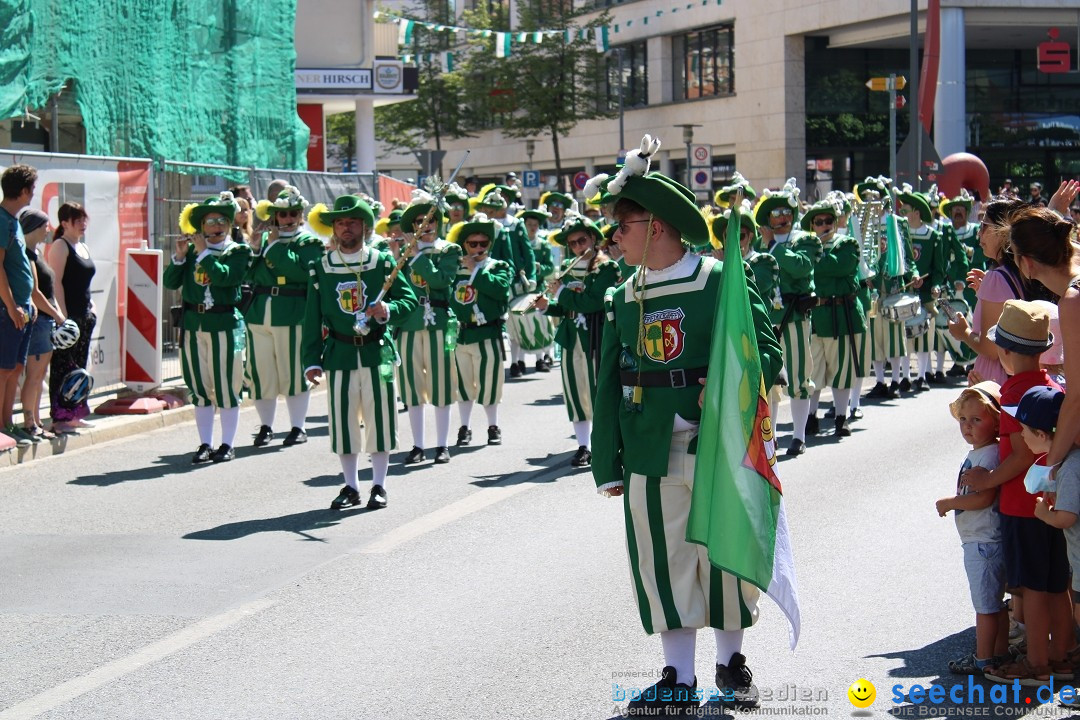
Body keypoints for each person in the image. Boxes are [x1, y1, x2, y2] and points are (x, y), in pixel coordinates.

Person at [588, 137, 782, 715]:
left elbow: (765, 350)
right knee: (662, 558)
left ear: (658, 226)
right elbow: (607, 382)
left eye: (621, 226)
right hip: (649, 445)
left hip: (716, 440)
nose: (612, 238)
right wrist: (607, 460)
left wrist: (729, 385)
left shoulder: (719, 279)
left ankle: (730, 662)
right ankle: (677, 676)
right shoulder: (623, 294)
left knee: (721, 552)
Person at [962, 300, 1071, 685]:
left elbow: (1022, 454)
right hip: (1053, 503)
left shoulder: (1012, 395)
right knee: (1057, 583)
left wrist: (987, 480)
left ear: (1005, 352)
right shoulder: (1049, 385)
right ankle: (1061, 654)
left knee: (1033, 588)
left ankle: (1037, 663)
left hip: (1023, 506)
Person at [302, 195, 417, 510]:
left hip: (376, 352)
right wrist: (310, 360)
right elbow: (311, 318)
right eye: (340, 222)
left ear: (365, 226)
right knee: (343, 423)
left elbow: (409, 302)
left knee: (380, 421)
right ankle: (350, 486)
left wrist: (387, 309)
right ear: (334, 228)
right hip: (338, 354)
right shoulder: (321, 268)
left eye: (352, 221)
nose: (346, 227)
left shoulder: (382, 262)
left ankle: (378, 485)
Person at [165, 193, 252, 463]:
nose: (215, 226)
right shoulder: (192, 251)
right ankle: (205, 443)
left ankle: (227, 444)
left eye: (221, 221)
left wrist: (203, 252)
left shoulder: (238, 251)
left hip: (224, 325)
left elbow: (225, 278)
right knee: (199, 387)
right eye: (209, 221)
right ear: (201, 226)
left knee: (227, 385)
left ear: (229, 225)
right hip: (193, 325)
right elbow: (170, 282)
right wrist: (180, 258)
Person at [534, 212, 619, 466]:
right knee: (574, 391)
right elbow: (566, 307)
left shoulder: (607, 268)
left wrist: (561, 292)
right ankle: (583, 446)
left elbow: (593, 302)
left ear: (593, 239)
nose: (577, 247)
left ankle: (606, 444)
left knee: (597, 391)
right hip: (572, 338)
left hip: (595, 335)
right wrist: (545, 306)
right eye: (572, 244)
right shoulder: (567, 270)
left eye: (582, 241)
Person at [936, 381, 1009, 676]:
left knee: (985, 606)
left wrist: (951, 503)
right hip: (982, 538)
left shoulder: (989, 455)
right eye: (963, 420)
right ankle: (1000, 652)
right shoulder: (982, 451)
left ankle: (983, 659)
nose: (967, 426)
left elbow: (984, 496)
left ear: (996, 422)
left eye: (976, 420)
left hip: (983, 540)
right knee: (995, 603)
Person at [243, 186, 324, 448]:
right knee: (261, 374)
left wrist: (274, 247)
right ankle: (266, 426)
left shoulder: (309, 243)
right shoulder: (269, 242)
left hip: (292, 313)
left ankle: (297, 427)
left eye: (292, 214)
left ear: (300, 215)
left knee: (293, 373)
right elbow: (250, 275)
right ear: (275, 218)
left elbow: (302, 274)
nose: (287, 219)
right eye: (282, 215)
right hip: (259, 314)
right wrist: (255, 249)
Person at [395, 190, 462, 465]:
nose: (426, 224)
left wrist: (416, 255)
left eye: (431, 219)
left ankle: (443, 444)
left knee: (441, 384)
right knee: (412, 387)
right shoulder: (402, 252)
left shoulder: (450, 249)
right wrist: (398, 256)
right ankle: (418, 444)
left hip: (438, 322)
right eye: (420, 220)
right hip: (409, 324)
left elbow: (440, 281)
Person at [755, 178, 820, 455]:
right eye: (775, 213)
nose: (781, 217)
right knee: (769, 378)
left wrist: (774, 247)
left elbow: (800, 268)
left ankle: (798, 435)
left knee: (797, 377)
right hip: (767, 318)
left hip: (794, 317)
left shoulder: (805, 239)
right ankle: (770, 435)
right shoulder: (758, 243)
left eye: (785, 212)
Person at [947, 198, 1030, 387]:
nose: (979, 233)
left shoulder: (997, 278)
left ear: (1003, 232)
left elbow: (990, 349)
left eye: (984, 226)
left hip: (995, 380)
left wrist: (963, 332)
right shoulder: (1024, 270)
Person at [446, 214, 512, 447]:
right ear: (464, 245)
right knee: (463, 384)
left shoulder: (498, 266)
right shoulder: (454, 270)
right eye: (472, 244)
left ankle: (493, 425)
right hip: (461, 335)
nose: (478, 248)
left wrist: (476, 270)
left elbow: (501, 290)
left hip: (487, 334)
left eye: (483, 243)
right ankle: (465, 426)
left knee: (490, 382)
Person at [1029, 386, 1080, 685]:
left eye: (1024, 431)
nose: (1021, 437)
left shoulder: (1069, 469)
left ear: (1043, 434)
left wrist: (1045, 514)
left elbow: (1067, 517)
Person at [802, 199, 864, 438]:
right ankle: (811, 417)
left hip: (840, 315)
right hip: (816, 316)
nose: (825, 225)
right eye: (819, 222)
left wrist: (811, 255)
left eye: (829, 220)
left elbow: (838, 267)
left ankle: (841, 418)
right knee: (813, 370)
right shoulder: (807, 247)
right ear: (813, 225)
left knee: (841, 370)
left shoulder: (846, 243)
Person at [46, 202, 97, 433]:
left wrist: (92, 306)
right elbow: (55, 283)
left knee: (79, 366)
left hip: (85, 316)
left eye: (84, 219)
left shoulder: (82, 247)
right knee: (62, 366)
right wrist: (63, 318)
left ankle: (76, 411)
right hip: (70, 319)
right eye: (78, 220)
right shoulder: (60, 246)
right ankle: (60, 416)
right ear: (65, 223)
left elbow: (85, 283)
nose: (83, 224)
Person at [19, 209, 66, 442]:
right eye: (45, 226)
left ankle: (36, 421)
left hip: (45, 321)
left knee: (40, 375)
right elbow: (35, 293)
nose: (48, 230)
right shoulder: (27, 255)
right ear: (35, 227)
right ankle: (29, 423)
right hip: (40, 322)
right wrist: (58, 316)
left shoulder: (35, 252)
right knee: (34, 376)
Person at [0, 164, 38, 448]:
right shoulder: (2, 220)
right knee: (2, 370)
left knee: (15, 368)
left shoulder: (14, 220)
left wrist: (28, 302)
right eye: (32, 189)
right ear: (23, 190)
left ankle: (8, 425)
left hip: (23, 307)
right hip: (8, 309)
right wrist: (12, 305)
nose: (33, 193)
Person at [894, 184, 945, 391]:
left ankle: (922, 376)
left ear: (916, 213)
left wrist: (935, 287)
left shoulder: (934, 237)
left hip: (925, 295)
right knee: (904, 335)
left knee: (925, 336)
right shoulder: (900, 235)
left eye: (905, 211)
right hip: (905, 294)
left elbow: (939, 269)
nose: (902, 215)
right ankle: (905, 376)